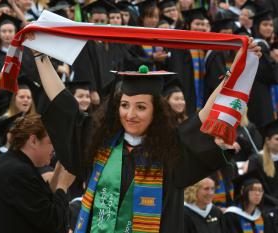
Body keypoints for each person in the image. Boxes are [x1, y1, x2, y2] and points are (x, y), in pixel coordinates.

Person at [28, 32, 261, 232]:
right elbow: (63, 103)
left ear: (155, 112)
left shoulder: (172, 150)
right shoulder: (100, 142)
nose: (130, 114)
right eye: (125, 105)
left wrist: (238, 67)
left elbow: (208, 113)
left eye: (140, 107)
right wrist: (40, 55)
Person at [0, 114, 76, 233]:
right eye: (51, 142)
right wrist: (63, 186)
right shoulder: (17, 171)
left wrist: (56, 176)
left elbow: (43, 204)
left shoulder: (11, 163)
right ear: (33, 141)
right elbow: (53, 223)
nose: (54, 148)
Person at [167, 7, 208, 114]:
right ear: (188, 25)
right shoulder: (180, 47)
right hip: (187, 93)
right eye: (197, 24)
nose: (200, 27)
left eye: (202, 24)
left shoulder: (204, 48)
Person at [247, 10, 278, 127]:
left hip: (256, 93)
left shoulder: (258, 44)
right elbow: (270, 76)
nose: (269, 28)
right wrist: (276, 61)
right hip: (260, 96)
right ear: (257, 27)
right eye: (265, 25)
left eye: (271, 25)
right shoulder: (260, 46)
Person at [247, 119, 278, 199]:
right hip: (267, 204)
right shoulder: (256, 160)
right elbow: (253, 189)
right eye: (277, 139)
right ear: (267, 140)